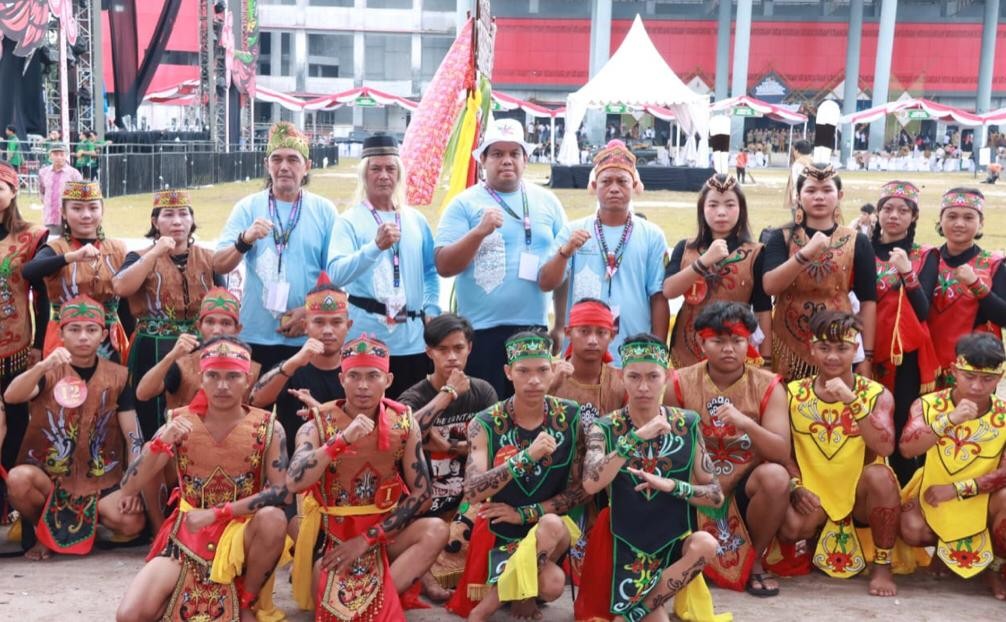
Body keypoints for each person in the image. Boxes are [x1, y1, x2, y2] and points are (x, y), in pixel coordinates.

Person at [116, 337, 292, 622]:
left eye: (233, 376)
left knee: (273, 518)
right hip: (188, 535)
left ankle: (248, 597)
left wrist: (216, 514)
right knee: (130, 615)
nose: (223, 385)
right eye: (214, 375)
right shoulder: (178, 421)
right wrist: (160, 444)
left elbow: (281, 494)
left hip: (243, 533)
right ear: (201, 377)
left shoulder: (269, 426)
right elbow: (129, 486)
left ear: (247, 379)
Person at [286, 334, 447, 620]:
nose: (363, 386)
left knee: (436, 529)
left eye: (373, 376)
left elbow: (423, 496)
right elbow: (294, 481)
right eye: (354, 376)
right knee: (329, 606)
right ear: (341, 379)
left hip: (383, 534)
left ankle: (379, 597)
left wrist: (366, 539)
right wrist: (340, 441)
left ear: (388, 379)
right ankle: (375, 603)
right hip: (332, 538)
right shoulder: (318, 424)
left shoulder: (405, 423)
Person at [575, 333, 725, 622]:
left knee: (706, 544)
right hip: (623, 540)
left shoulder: (687, 423)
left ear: (667, 376)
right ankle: (638, 611)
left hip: (672, 540)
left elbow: (715, 495)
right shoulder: (605, 427)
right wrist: (634, 438)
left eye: (652, 376)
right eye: (634, 377)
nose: (643, 387)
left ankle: (632, 614)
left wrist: (671, 485)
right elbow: (592, 483)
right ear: (622, 377)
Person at [447, 331, 585, 621]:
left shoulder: (570, 417)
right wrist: (525, 458)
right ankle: (517, 593)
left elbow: (580, 491)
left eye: (542, 370)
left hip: (545, 525)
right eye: (523, 371)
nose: (534, 380)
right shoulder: (485, 422)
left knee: (552, 556)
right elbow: (472, 492)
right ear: (509, 372)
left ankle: (496, 605)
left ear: (553, 370)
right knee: (551, 580)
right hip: (499, 529)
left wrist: (524, 514)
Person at [663, 301, 790, 596]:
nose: (729, 349)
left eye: (737, 340)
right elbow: (670, 447)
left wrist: (745, 423)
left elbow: (781, 452)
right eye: (718, 341)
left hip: (746, 491)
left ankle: (754, 561)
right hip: (696, 486)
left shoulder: (769, 385)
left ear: (749, 342)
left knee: (776, 477)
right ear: (701, 342)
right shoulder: (679, 383)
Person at [3, 295, 144, 560]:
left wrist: (132, 487)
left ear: (103, 335)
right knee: (18, 480)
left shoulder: (119, 375)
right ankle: (42, 531)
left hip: (99, 480)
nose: (83, 337)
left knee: (131, 521)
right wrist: (43, 364)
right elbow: (12, 396)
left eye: (91, 330)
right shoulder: (47, 372)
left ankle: (83, 528)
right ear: (62, 333)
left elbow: (132, 434)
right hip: (51, 478)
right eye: (74, 329)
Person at [435, 118, 567, 397]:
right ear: (482, 159)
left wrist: (560, 325)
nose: (506, 160)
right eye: (497, 153)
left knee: (530, 411)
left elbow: (565, 268)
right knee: (486, 414)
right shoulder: (464, 204)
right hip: (481, 333)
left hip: (534, 327)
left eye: (514, 153)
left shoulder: (548, 202)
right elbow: (444, 265)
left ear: (526, 159)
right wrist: (478, 233)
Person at [779, 311, 900, 596]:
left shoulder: (876, 394)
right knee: (791, 528)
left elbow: (885, 447)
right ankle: (813, 541)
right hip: (814, 490)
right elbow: (781, 450)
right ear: (811, 348)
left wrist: (851, 401)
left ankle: (882, 566)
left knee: (882, 477)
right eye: (824, 348)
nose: (832, 356)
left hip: (859, 493)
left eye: (842, 348)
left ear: (855, 349)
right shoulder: (792, 393)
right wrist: (796, 487)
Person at [213, 121, 338, 374]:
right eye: (276, 159)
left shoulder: (324, 211)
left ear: (307, 166)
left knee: (302, 411)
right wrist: (244, 240)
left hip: (307, 338)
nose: (284, 167)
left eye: (293, 159)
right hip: (256, 336)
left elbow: (336, 277)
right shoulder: (247, 207)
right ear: (266, 164)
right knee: (256, 411)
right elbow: (218, 264)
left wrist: (308, 312)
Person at [328, 134, 439, 397]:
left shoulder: (415, 220)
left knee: (410, 418)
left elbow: (430, 271)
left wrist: (432, 308)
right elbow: (336, 274)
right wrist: (374, 247)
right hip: (366, 341)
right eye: (375, 169)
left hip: (412, 341)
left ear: (399, 174)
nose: (383, 175)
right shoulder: (350, 221)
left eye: (390, 168)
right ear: (364, 175)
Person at [539, 139, 669, 364]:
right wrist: (565, 252)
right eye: (606, 181)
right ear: (595, 186)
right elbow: (546, 283)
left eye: (622, 181)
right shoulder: (573, 231)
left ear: (633, 185)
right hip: (580, 356)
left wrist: (657, 350)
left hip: (634, 354)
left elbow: (658, 296)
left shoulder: (652, 235)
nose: (614, 188)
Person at [899, 333, 1006, 597]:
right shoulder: (927, 404)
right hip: (934, 493)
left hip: (983, 497)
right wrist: (949, 420)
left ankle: (994, 568)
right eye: (970, 377)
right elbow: (906, 448)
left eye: (988, 379)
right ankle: (947, 554)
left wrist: (958, 489)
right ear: (954, 371)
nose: (978, 387)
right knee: (909, 527)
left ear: (1000, 378)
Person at [397, 313, 498, 592]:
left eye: (458, 348)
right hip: (425, 502)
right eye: (443, 350)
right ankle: (425, 571)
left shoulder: (483, 392)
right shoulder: (414, 396)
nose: (452, 356)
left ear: (470, 349)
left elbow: (495, 448)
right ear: (429, 352)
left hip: (466, 499)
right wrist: (448, 393)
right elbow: (400, 435)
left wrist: (449, 446)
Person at [112, 189, 223, 442]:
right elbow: (121, 287)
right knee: (151, 414)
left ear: (192, 221)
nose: (177, 221)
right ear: (155, 222)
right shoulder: (139, 256)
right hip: (151, 346)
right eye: (168, 215)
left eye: (184, 214)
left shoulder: (209, 258)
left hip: (198, 347)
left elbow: (223, 302)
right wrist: (154, 253)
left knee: (195, 413)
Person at [762, 164, 877, 381]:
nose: (819, 197)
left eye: (827, 190)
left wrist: (866, 357)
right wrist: (806, 253)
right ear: (798, 196)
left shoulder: (857, 241)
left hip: (838, 345)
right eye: (811, 191)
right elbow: (770, 286)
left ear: (840, 195)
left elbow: (868, 301)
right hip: (788, 344)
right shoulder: (781, 237)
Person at [869, 181, 939, 485]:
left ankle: (904, 491)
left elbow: (924, 310)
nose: (893, 215)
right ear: (878, 213)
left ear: (913, 217)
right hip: (865, 348)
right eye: (887, 208)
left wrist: (907, 272)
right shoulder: (862, 248)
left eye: (903, 210)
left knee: (900, 422)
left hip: (904, 355)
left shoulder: (925, 255)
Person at [663, 174, 771, 369]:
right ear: (702, 209)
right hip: (688, 347)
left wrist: (766, 359)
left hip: (734, 348)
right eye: (713, 205)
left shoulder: (755, 253)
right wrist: (703, 262)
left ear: (741, 209)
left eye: (730, 205)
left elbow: (763, 309)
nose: (721, 212)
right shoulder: (686, 248)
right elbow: (669, 291)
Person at [22, 181, 129, 362]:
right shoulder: (55, 248)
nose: (86, 215)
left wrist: (131, 338)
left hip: (107, 337)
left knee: (109, 386)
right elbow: (29, 271)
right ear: (63, 212)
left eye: (93, 208)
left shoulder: (117, 249)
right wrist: (70, 257)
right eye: (77, 208)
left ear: (102, 211)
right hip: (64, 336)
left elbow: (125, 302)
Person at [249, 273, 351, 456]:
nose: (328, 330)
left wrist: (321, 414)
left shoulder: (357, 373)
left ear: (348, 326)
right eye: (319, 322)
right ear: (305, 326)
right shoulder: (290, 368)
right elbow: (255, 400)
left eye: (336, 322)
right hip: (295, 470)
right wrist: (294, 362)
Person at [0, 161, 48, 532]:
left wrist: (38, 345)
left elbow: (42, 296)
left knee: (16, 428)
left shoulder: (31, 237)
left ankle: (13, 511)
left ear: (13, 191)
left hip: (16, 350)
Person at [919, 187, 1006, 389]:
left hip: (973, 367)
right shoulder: (925, 259)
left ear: (980, 222)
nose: (959, 224)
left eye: (968, 217)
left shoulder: (993, 264)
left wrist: (977, 285)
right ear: (941, 220)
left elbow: (1003, 317)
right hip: (926, 360)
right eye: (952, 216)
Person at [37, 142, 83, 236]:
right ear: (50, 156)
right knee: (52, 245)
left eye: (61, 154)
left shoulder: (74, 174)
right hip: (50, 218)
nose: (58, 157)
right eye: (55, 154)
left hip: (70, 218)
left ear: (66, 156)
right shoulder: (43, 173)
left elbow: (81, 196)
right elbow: (42, 191)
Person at [784, 139, 813, 213]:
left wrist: (795, 197)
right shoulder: (814, 162)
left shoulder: (797, 164)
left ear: (796, 151)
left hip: (801, 199)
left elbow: (797, 182)